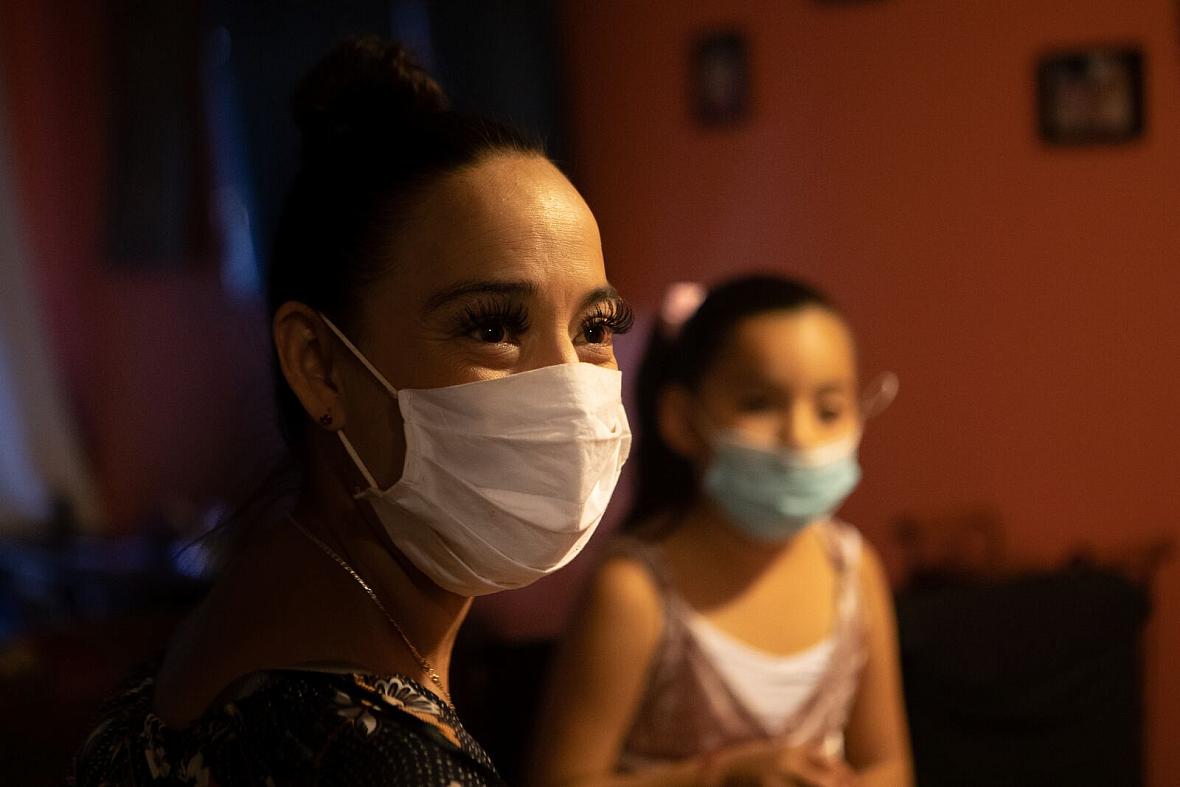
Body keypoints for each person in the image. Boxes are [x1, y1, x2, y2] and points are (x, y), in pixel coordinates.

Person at [70, 36, 633, 787]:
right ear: (320, 365)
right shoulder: (375, 753)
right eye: (492, 327)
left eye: (594, 329)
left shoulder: (255, 614)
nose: (566, 389)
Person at [528, 276, 912, 787]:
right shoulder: (635, 592)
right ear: (683, 420)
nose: (799, 437)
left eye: (828, 410)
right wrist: (721, 777)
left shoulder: (854, 571)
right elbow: (562, 778)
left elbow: (888, 766)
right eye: (759, 403)